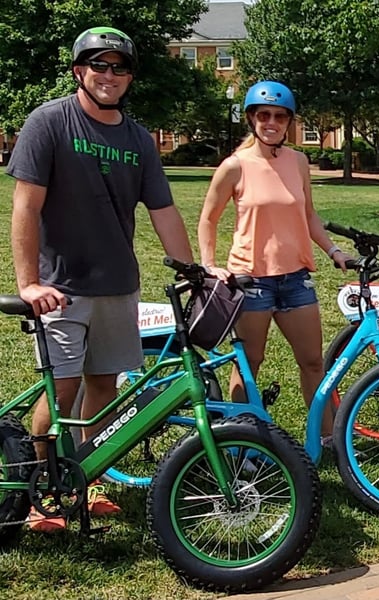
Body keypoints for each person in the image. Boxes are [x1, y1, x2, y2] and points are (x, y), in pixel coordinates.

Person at [6, 26, 194, 532]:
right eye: (99, 65)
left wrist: (193, 271)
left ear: (129, 77)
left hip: (118, 285)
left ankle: (88, 480)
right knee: (62, 389)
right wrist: (29, 283)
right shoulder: (49, 122)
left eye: (120, 67)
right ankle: (42, 492)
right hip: (61, 287)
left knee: (103, 386)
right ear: (79, 71)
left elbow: (163, 211)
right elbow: (25, 207)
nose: (109, 75)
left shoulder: (138, 139)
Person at [197, 80, 348, 443]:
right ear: (251, 118)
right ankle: (241, 444)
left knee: (313, 362)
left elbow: (308, 215)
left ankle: (328, 438)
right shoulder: (235, 166)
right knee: (249, 366)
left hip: (296, 279)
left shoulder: (299, 162)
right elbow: (208, 219)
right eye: (264, 115)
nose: (272, 122)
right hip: (250, 281)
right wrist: (209, 264)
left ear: (288, 122)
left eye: (280, 116)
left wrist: (333, 250)